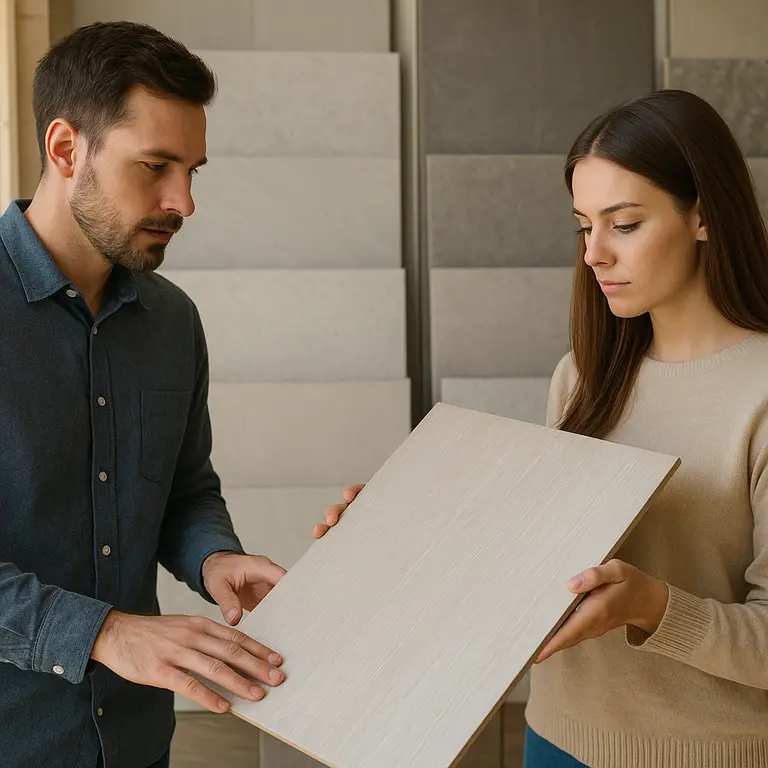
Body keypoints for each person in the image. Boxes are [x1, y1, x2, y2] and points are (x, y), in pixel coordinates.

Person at [319, 89, 768, 767]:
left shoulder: (759, 394)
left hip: (703, 754)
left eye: (623, 224)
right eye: (584, 226)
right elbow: (533, 564)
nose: (594, 255)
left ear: (702, 215)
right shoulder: (583, 375)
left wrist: (651, 605)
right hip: (554, 737)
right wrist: (393, 536)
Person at [0, 21, 346, 768]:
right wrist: (103, 631)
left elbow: (184, 489)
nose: (183, 201)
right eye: (155, 166)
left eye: (193, 170)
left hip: (135, 741)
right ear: (65, 150)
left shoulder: (173, 321)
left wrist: (213, 557)